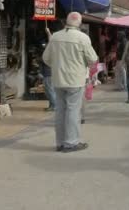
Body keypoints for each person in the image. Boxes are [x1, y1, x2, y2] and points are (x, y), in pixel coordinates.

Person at [42, 12, 98, 153]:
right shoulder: (83, 38)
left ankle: (60, 142)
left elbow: (46, 58)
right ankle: (71, 142)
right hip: (75, 80)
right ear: (79, 23)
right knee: (73, 111)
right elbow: (92, 59)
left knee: (60, 111)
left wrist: (57, 65)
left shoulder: (55, 37)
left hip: (58, 79)